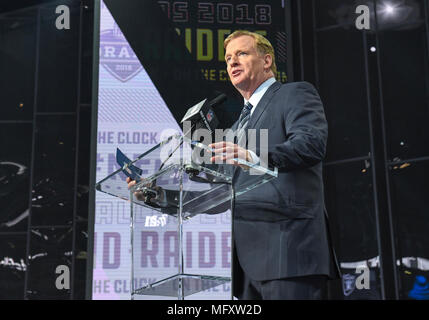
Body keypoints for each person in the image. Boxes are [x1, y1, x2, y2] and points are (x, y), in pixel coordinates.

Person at [128, 30, 339, 300]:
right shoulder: (237, 127)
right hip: (246, 266)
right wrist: (156, 195)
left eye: (241, 53)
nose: (232, 62)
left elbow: (311, 146)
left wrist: (251, 155)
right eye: (228, 58)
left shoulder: (294, 94)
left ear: (266, 60)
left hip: (290, 251)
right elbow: (219, 196)